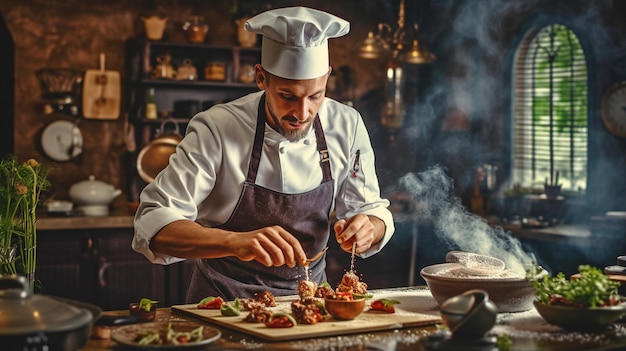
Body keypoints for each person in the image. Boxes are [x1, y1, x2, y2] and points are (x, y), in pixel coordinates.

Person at [132, 6, 395, 303]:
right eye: (287, 96)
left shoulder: (347, 124)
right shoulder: (217, 128)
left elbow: (372, 210)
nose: (302, 112)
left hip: (310, 302)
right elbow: (152, 223)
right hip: (223, 302)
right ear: (261, 77)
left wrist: (368, 228)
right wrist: (233, 242)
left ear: (327, 79)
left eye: (316, 95)